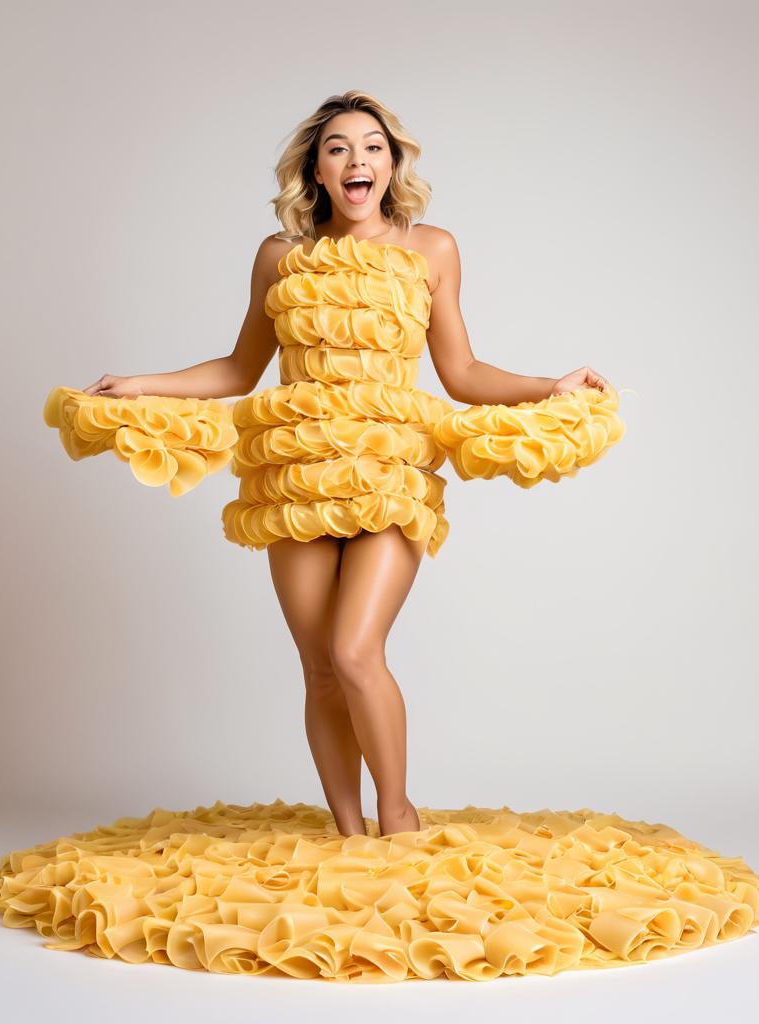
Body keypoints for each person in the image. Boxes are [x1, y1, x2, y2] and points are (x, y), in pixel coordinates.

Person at [78, 91, 613, 839]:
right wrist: (141, 383)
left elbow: (460, 373)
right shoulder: (280, 256)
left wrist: (545, 385)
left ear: (391, 165)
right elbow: (239, 368)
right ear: (317, 171)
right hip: (296, 471)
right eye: (338, 148)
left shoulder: (432, 249)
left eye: (372, 146)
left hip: (388, 466)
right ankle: (349, 831)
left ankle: (399, 819)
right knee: (320, 668)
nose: (356, 159)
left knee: (355, 649)